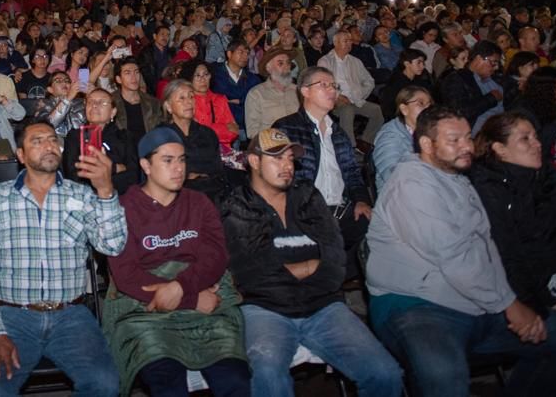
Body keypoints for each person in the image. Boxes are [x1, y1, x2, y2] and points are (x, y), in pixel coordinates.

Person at [366, 107, 556, 397]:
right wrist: (510, 305)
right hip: (415, 305)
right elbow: (456, 258)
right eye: (454, 140)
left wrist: (510, 302)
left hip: (472, 303)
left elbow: (487, 247)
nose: (466, 146)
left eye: (467, 138)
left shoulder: (459, 180)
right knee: (443, 374)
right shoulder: (411, 184)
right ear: (426, 144)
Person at [221, 128, 403, 397]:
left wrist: (301, 271)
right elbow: (254, 272)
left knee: (385, 373)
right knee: (268, 376)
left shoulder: (307, 195)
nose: (287, 166)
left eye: (289, 158)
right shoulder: (237, 204)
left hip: (324, 306)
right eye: (276, 158)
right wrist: (309, 266)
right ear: (254, 161)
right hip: (266, 310)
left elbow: (334, 256)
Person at [0, 121, 126, 397]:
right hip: (12, 316)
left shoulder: (82, 195)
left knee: (105, 383)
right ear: (21, 155)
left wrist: (106, 192)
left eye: (52, 139)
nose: (48, 145)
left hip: (70, 315)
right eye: (37, 141)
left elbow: (114, 246)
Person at [103, 127, 250, 396]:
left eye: (182, 159)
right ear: (146, 165)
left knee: (235, 382)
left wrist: (181, 286)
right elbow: (126, 276)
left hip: (206, 309)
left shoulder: (199, 202)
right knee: (168, 385)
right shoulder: (123, 209)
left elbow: (216, 256)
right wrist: (191, 299)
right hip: (148, 313)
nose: (178, 168)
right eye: (168, 160)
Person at [273, 67, 373, 275]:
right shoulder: (286, 128)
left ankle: (333, 277)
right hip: (306, 213)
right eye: (324, 85)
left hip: (341, 209)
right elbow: (277, 181)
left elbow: (352, 172)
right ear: (305, 91)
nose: (332, 91)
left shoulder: (338, 133)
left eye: (334, 86)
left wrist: (362, 200)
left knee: (378, 233)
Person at [470, 113, 556, 316]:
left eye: (535, 136)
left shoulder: (545, 176)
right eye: (525, 139)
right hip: (537, 292)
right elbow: (510, 256)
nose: (537, 144)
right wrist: (531, 310)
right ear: (500, 149)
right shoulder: (490, 190)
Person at [62, 87, 140, 195]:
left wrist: (104, 185)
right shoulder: (74, 136)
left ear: (113, 112)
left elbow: (132, 177)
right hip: (83, 198)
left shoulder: (125, 137)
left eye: (102, 102)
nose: (94, 105)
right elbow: (73, 175)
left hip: (119, 197)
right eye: (90, 102)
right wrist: (114, 168)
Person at [317, 29, 385, 151]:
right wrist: (338, 95)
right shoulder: (325, 61)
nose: (349, 44)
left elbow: (369, 81)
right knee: (347, 110)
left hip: (355, 99)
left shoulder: (355, 61)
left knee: (377, 111)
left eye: (350, 41)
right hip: (335, 100)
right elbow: (324, 83)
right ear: (336, 43)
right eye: (345, 41)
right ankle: (350, 146)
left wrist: (360, 94)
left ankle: (365, 141)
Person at [160, 79, 226, 199]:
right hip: (180, 195)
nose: (189, 102)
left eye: (191, 97)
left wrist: (198, 175)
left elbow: (217, 168)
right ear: (168, 106)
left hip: (213, 191)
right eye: (182, 98)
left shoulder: (207, 134)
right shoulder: (161, 136)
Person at [372, 86, 433, 194]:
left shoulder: (429, 132)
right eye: (421, 103)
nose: (427, 109)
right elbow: (392, 176)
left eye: (429, 104)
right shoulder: (389, 136)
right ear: (404, 109)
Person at [439, 40, 504, 134]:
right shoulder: (457, 79)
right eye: (493, 62)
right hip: (472, 136)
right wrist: (491, 98)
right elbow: (458, 112)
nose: (496, 67)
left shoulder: (494, 79)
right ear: (478, 59)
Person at [245, 46, 299, 139]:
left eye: (288, 63)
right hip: (272, 148)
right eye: (280, 63)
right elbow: (252, 132)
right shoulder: (256, 94)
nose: (286, 67)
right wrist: (276, 138)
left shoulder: (298, 91)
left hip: (300, 145)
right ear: (269, 68)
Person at [184, 60, 239, 149]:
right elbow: (192, 134)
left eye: (206, 74)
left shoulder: (220, 99)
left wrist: (205, 129)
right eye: (197, 75)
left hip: (222, 154)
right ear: (189, 79)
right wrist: (223, 128)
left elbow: (235, 131)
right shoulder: (186, 102)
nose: (203, 79)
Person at [212, 41, 261, 140]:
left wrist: (240, 100)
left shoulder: (253, 79)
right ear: (229, 54)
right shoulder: (215, 74)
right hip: (223, 126)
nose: (245, 56)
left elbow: (258, 99)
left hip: (246, 126)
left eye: (247, 53)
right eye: (241, 52)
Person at [112, 57, 162, 139]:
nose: (134, 77)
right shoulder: (111, 102)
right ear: (118, 79)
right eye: (128, 73)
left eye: (136, 72)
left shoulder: (153, 103)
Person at [379, 48, 432, 120]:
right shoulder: (395, 83)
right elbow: (390, 110)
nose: (422, 66)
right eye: (418, 63)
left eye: (423, 63)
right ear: (407, 64)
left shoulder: (421, 79)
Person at [33, 71, 86, 138]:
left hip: (80, 141)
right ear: (50, 89)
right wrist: (67, 99)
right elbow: (47, 125)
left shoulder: (80, 102)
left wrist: (91, 94)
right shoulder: (43, 103)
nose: (64, 83)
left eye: (67, 81)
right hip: (56, 143)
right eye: (58, 81)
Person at [138, 25, 174, 95]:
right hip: (153, 89)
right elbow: (146, 75)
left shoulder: (171, 52)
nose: (165, 37)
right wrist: (158, 87)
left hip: (170, 87)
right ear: (155, 36)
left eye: (168, 35)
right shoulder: (146, 52)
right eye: (162, 34)